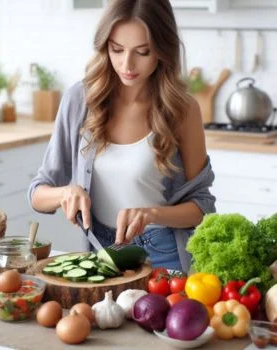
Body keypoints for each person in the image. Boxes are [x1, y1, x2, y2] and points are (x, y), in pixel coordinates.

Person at [28, 0, 215, 273]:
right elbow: (38, 193)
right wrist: (65, 193)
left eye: (142, 52)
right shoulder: (79, 100)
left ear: (163, 50)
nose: (127, 64)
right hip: (101, 249)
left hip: (164, 253)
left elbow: (203, 207)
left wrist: (151, 214)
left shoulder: (182, 110)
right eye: (117, 49)